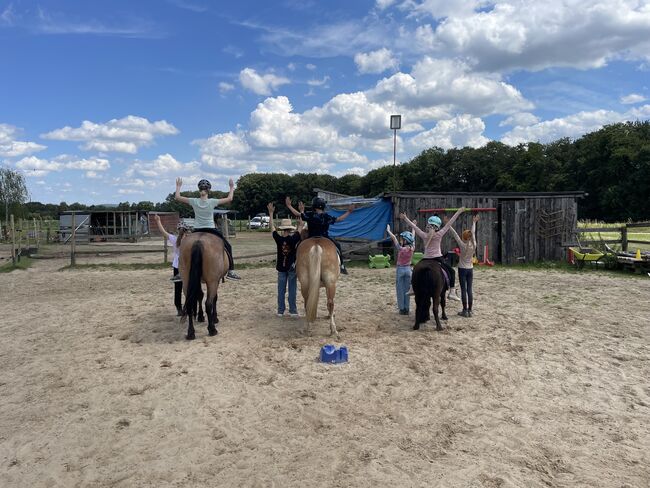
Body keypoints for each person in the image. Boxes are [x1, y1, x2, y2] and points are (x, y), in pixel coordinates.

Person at [174, 177, 241, 280]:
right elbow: (229, 199)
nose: (202, 190)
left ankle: (180, 272)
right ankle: (231, 271)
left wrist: (178, 186)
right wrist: (231, 187)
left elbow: (177, 197)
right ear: (208, 190)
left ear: (202, 190)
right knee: (228, 246)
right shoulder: (212, 201)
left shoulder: (193, 201)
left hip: (197, 230)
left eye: (202, 189)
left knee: (183, 246)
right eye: (203, 189)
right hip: (210, 230)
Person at [400, 207, 465, 302]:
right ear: (437, 227)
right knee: (452, 271)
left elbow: (414, 227)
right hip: (438, 258)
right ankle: (452, 291)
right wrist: (458, 212)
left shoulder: (423, 234)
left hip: (426, 258)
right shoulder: (439, 234)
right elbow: (450, 223)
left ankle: (412, 288)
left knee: (414, 270)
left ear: (428, 226)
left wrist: (405, 218)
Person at [285, 196, 354, 275]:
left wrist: (289, 206)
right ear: (323, 206)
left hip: (311, 237)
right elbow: (339, 219)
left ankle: (294, 264)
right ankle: (342, 265)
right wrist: (349, 212)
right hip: (325, 237)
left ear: (314, 206)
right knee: (338, 246)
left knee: (298, 245)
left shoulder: (310, 215)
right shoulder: (327, 216)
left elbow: (298, 214)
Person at [268, 202, 303, 318]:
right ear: (290, 229)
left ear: (282, 229)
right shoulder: (294, 239)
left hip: (281, 268)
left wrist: (271, 213)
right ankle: (293, 311)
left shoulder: (278, 238)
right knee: (292, 290)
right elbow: (301, 227)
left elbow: (272, 228)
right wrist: (301, 214)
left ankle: (280, 311)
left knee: (281, 290)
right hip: (292, 267)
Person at [154, 214, 189, 316]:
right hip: (187, 266)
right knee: (188, 287)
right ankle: (188, 306)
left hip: (177, 266)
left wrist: (158, 221)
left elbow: (163, 232)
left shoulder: (174, 239)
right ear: (187, 231)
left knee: (178, 289)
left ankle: (179, 308)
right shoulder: (189, 239)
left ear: (178, 230)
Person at [449, 214, 479, 317]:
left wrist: (448, 224)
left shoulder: (462, 244)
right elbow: (473, 233)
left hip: (462, 268)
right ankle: (470, 310)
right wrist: (474, 222)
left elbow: (455, 235)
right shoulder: (474, 244)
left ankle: (464, 310)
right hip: (470, 269)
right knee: (469, 290)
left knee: (463, 290)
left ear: (464, 237)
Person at [386, 223, 415, 315]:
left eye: (403, 239)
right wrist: (413, 227)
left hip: (400, 270)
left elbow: (394, 238)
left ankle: (402, 309)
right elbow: (413, 237)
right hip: (408, 270)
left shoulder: (401, 249)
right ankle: (407, 308)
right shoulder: (412, 248)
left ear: (406, 241)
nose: (401, 240)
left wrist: (388, 231)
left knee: (400, 290)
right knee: (407, 290)